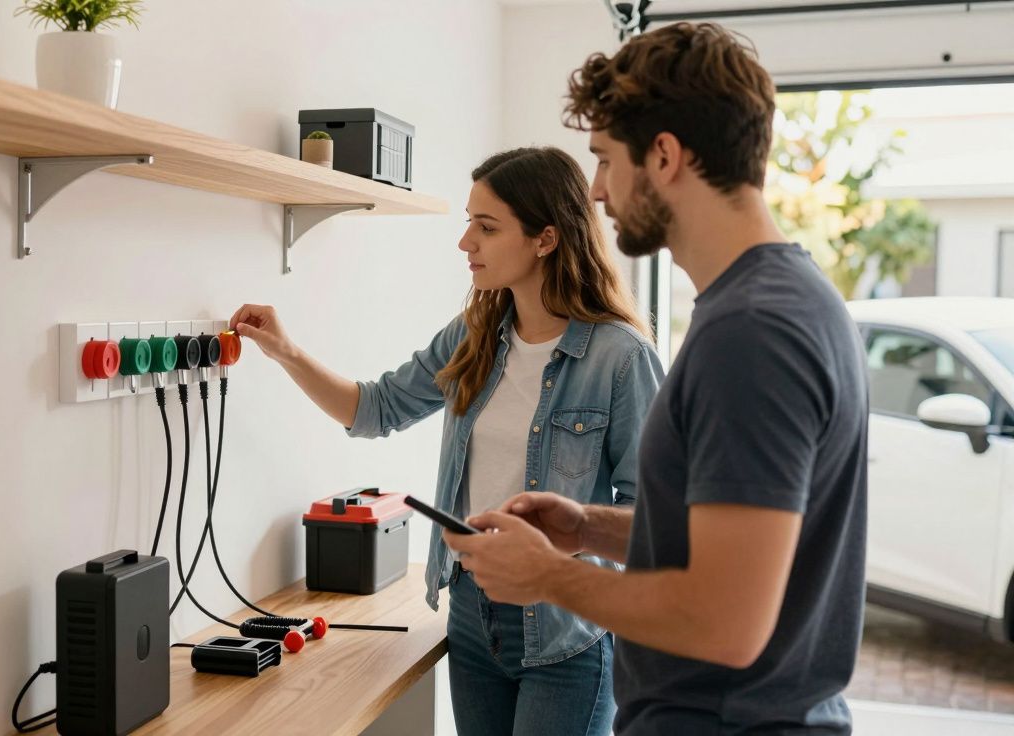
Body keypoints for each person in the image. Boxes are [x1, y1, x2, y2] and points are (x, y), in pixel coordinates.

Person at [443, 23, 870, 735]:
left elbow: (725, 620)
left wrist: (546, 575)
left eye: (607, 161)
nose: (600, 193)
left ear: (665, 156)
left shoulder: (752, 332)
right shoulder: (779, 300)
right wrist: (587, 528)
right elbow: (727, 541)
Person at [230, 146, 662, 736]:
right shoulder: (475, 334)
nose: (466, 243)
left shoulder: (620, 358)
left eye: (486, 227)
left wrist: (566, 542)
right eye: (468, 223)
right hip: (471, 614)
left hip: (568, 632)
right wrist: (286, 352)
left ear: (545, 239)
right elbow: (375, 409)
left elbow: (651, 519)